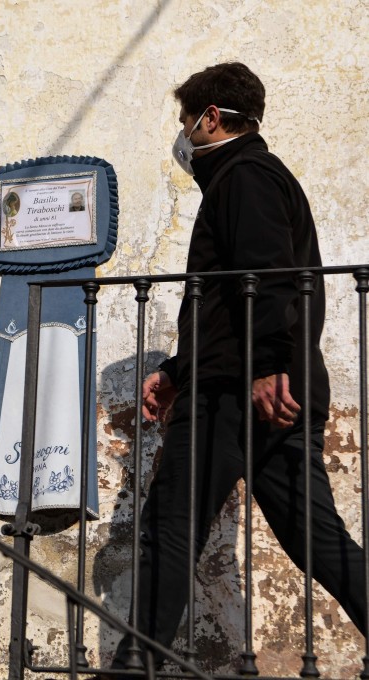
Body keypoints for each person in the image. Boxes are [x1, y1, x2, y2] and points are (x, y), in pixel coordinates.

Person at [109, 62, 367, 670]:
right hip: (251, 381)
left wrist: (267, 363)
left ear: (213, 118)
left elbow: (265, 275)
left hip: (237, 392)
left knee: (169, 530)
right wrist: (177, 370)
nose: (183, 135)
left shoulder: (244, 175)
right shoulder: (250, 176)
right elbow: (228, 302)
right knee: (317, 540)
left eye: (186, 122)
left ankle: (131, 669)